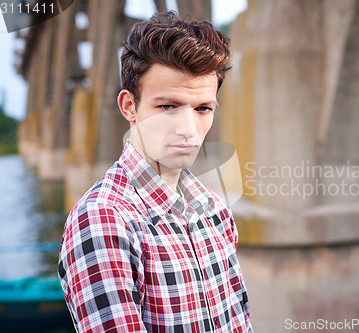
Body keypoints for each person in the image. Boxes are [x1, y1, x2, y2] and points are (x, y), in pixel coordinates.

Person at [58, 11, 253, 333]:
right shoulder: (102, 220)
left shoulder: (215, 209)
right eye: (167, 107)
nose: (188, 130)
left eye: (203, 109)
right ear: (129, 107)